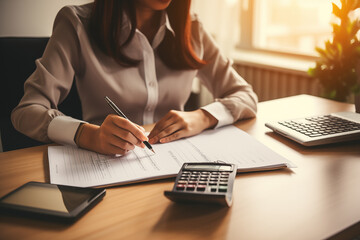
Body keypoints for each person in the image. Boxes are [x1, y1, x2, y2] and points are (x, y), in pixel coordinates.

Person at [11, 0, 257, 156]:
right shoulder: (76, 23)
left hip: (174, 166)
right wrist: (88, 135)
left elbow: (246, 96)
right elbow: (27, 111)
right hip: (104, 167)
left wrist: (202, 117)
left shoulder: (192, 29)